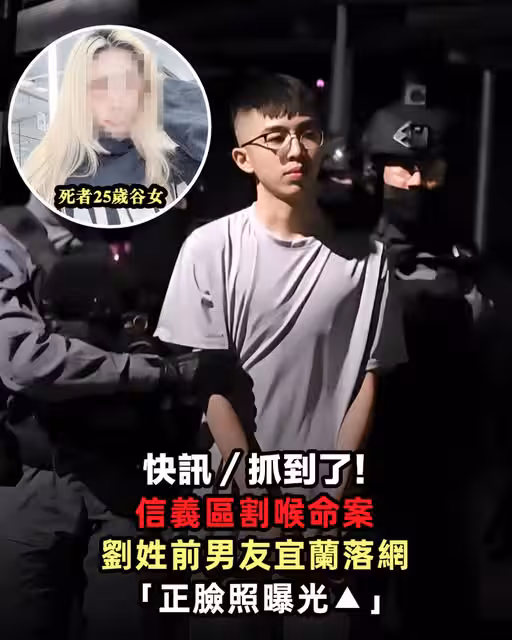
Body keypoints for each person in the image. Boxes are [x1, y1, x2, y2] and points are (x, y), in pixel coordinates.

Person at [155, 71, 406, 640]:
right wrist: (253, 493)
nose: (295, 150)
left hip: (327, 509)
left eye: (307, 132)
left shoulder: (368, 261)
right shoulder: (210, 247)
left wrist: (332, 496)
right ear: (243, 158)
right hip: (229, 503)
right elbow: (209, 381)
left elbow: (367, 380)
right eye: (275, 137)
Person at [0, 191, 245, 640]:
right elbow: (23, 361)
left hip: (133, 476)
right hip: (37, 476)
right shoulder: (10, 238)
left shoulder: (167, 235)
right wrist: (156, 372)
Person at [362, 95, 480, 638]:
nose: (415, 182)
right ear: (375, 173)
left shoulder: (470, 267)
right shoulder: (341, 258)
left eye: (428, 170)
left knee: (438, 609)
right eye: (401, 169)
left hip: (440, 471)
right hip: (357, 467)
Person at [21, 29, 206, 226]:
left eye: (128, 84)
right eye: (101, 85)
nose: (117, 101)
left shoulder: (174, 167)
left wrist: (161, 92)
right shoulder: (46, 181)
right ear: (78, 95)